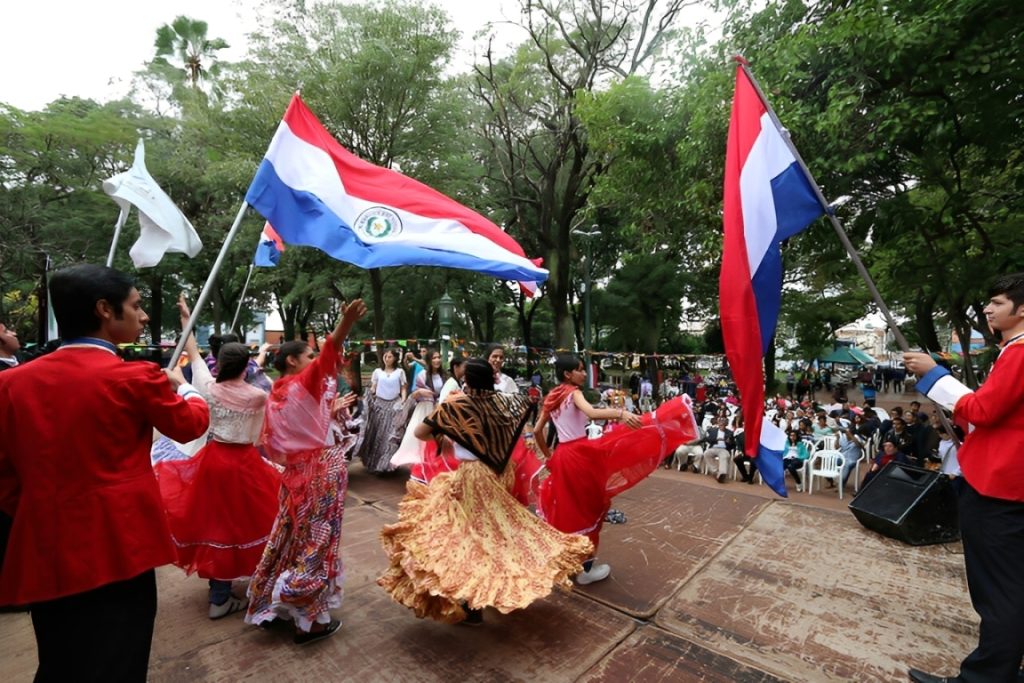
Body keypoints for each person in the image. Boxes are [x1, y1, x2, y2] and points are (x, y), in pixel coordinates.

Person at [0, 264, 210, 681]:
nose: (143, 316)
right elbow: (191, 424)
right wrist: (185, 388)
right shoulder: (135, 377)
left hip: (46, 546)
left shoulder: (11, 384)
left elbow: (6, 479)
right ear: (104, 310)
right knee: (120, 658)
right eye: (135, 306)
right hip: (120, 544)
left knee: (60, 660)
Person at [377, 358, 592, 625]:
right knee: (496, 533)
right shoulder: (505, 403)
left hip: (473, 478)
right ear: (491, 378)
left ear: (467, 380)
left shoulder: (456, 405)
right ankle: (488, 591)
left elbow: (421, 432)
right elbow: (519, 425)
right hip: (501, 475)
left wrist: (446, 438)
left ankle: (475, 603)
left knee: (471, 538)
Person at [904, 273, 1024, 683]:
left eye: (998, 302)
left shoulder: (1019, 353)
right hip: (1010, 485)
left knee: (1000, 594)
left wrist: (934, 374)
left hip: (999, 489)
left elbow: (984, 410)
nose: (988, 309)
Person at [245, 299, 366, 645]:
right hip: (322, 471)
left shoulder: (278, 391)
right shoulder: (302, 384)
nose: (315, 362)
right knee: (319, 540)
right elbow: (330, 352)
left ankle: (273, 602)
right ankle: (307, 618)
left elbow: (303, 425)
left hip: (296, 475)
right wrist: (345, 322)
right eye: (308, 357)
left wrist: (329, 410)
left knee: (291, 534)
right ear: (292, 361)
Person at [154, 295, 281, 619]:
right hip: (246, 464)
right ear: (248, 365)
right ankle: (256, 586)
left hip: (213, 462)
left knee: (215, 525)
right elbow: (261, 436)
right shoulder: (258, 396)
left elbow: (192, 350)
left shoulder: (207, 386)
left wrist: (187, 317)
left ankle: (220, 596)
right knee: (258, 522)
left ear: (220, 363)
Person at [533, 354, 697, 584]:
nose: (584, 373)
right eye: (580, 369)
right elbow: (592, 413)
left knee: (568, 509)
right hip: (579, 455)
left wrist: (549, 457)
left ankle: (569, 562)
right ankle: (586, 569)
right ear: (568, 374)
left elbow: (537, 430)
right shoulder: (573, 393)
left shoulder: (552, 396)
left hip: (562, 456)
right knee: (588, 509)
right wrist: (621, 413)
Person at [391, 348, 445, 468]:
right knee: (419, 439)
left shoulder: (444, 375)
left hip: (439, 409)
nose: (437, 360)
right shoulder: (422, 375)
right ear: (429, 360)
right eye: (434, 358)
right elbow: (415, 395)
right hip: (424, 408)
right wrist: (421, 393)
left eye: (438, 357)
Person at [355, 347, 407, 474]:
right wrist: (370, 392)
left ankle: (388, 464)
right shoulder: (377, 372)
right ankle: (374, 463)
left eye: (390, 356)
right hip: (379, 405)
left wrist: (403, 401)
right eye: (385, 356)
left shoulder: (400, 372)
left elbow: (403, 388)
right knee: (377, 434)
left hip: (394, 405)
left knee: (390, 436)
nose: (387, 358)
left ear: (395, 358)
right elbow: (374, 387)